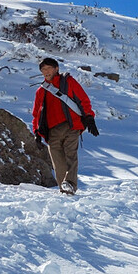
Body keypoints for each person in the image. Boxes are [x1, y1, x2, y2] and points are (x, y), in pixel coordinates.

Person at [32, 58, 98, 194]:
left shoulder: (68, 82)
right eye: (43, 69)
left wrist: (89, 117)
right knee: (58, 162)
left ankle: (71, 185)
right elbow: (36, 114)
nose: (46, 71)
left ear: (56, 69)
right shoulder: (41, 90)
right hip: (52, 131)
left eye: (48, 68)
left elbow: (83, 99)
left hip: (70, 126)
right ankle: (64, 189)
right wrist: (36, 132)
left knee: (70, 156)